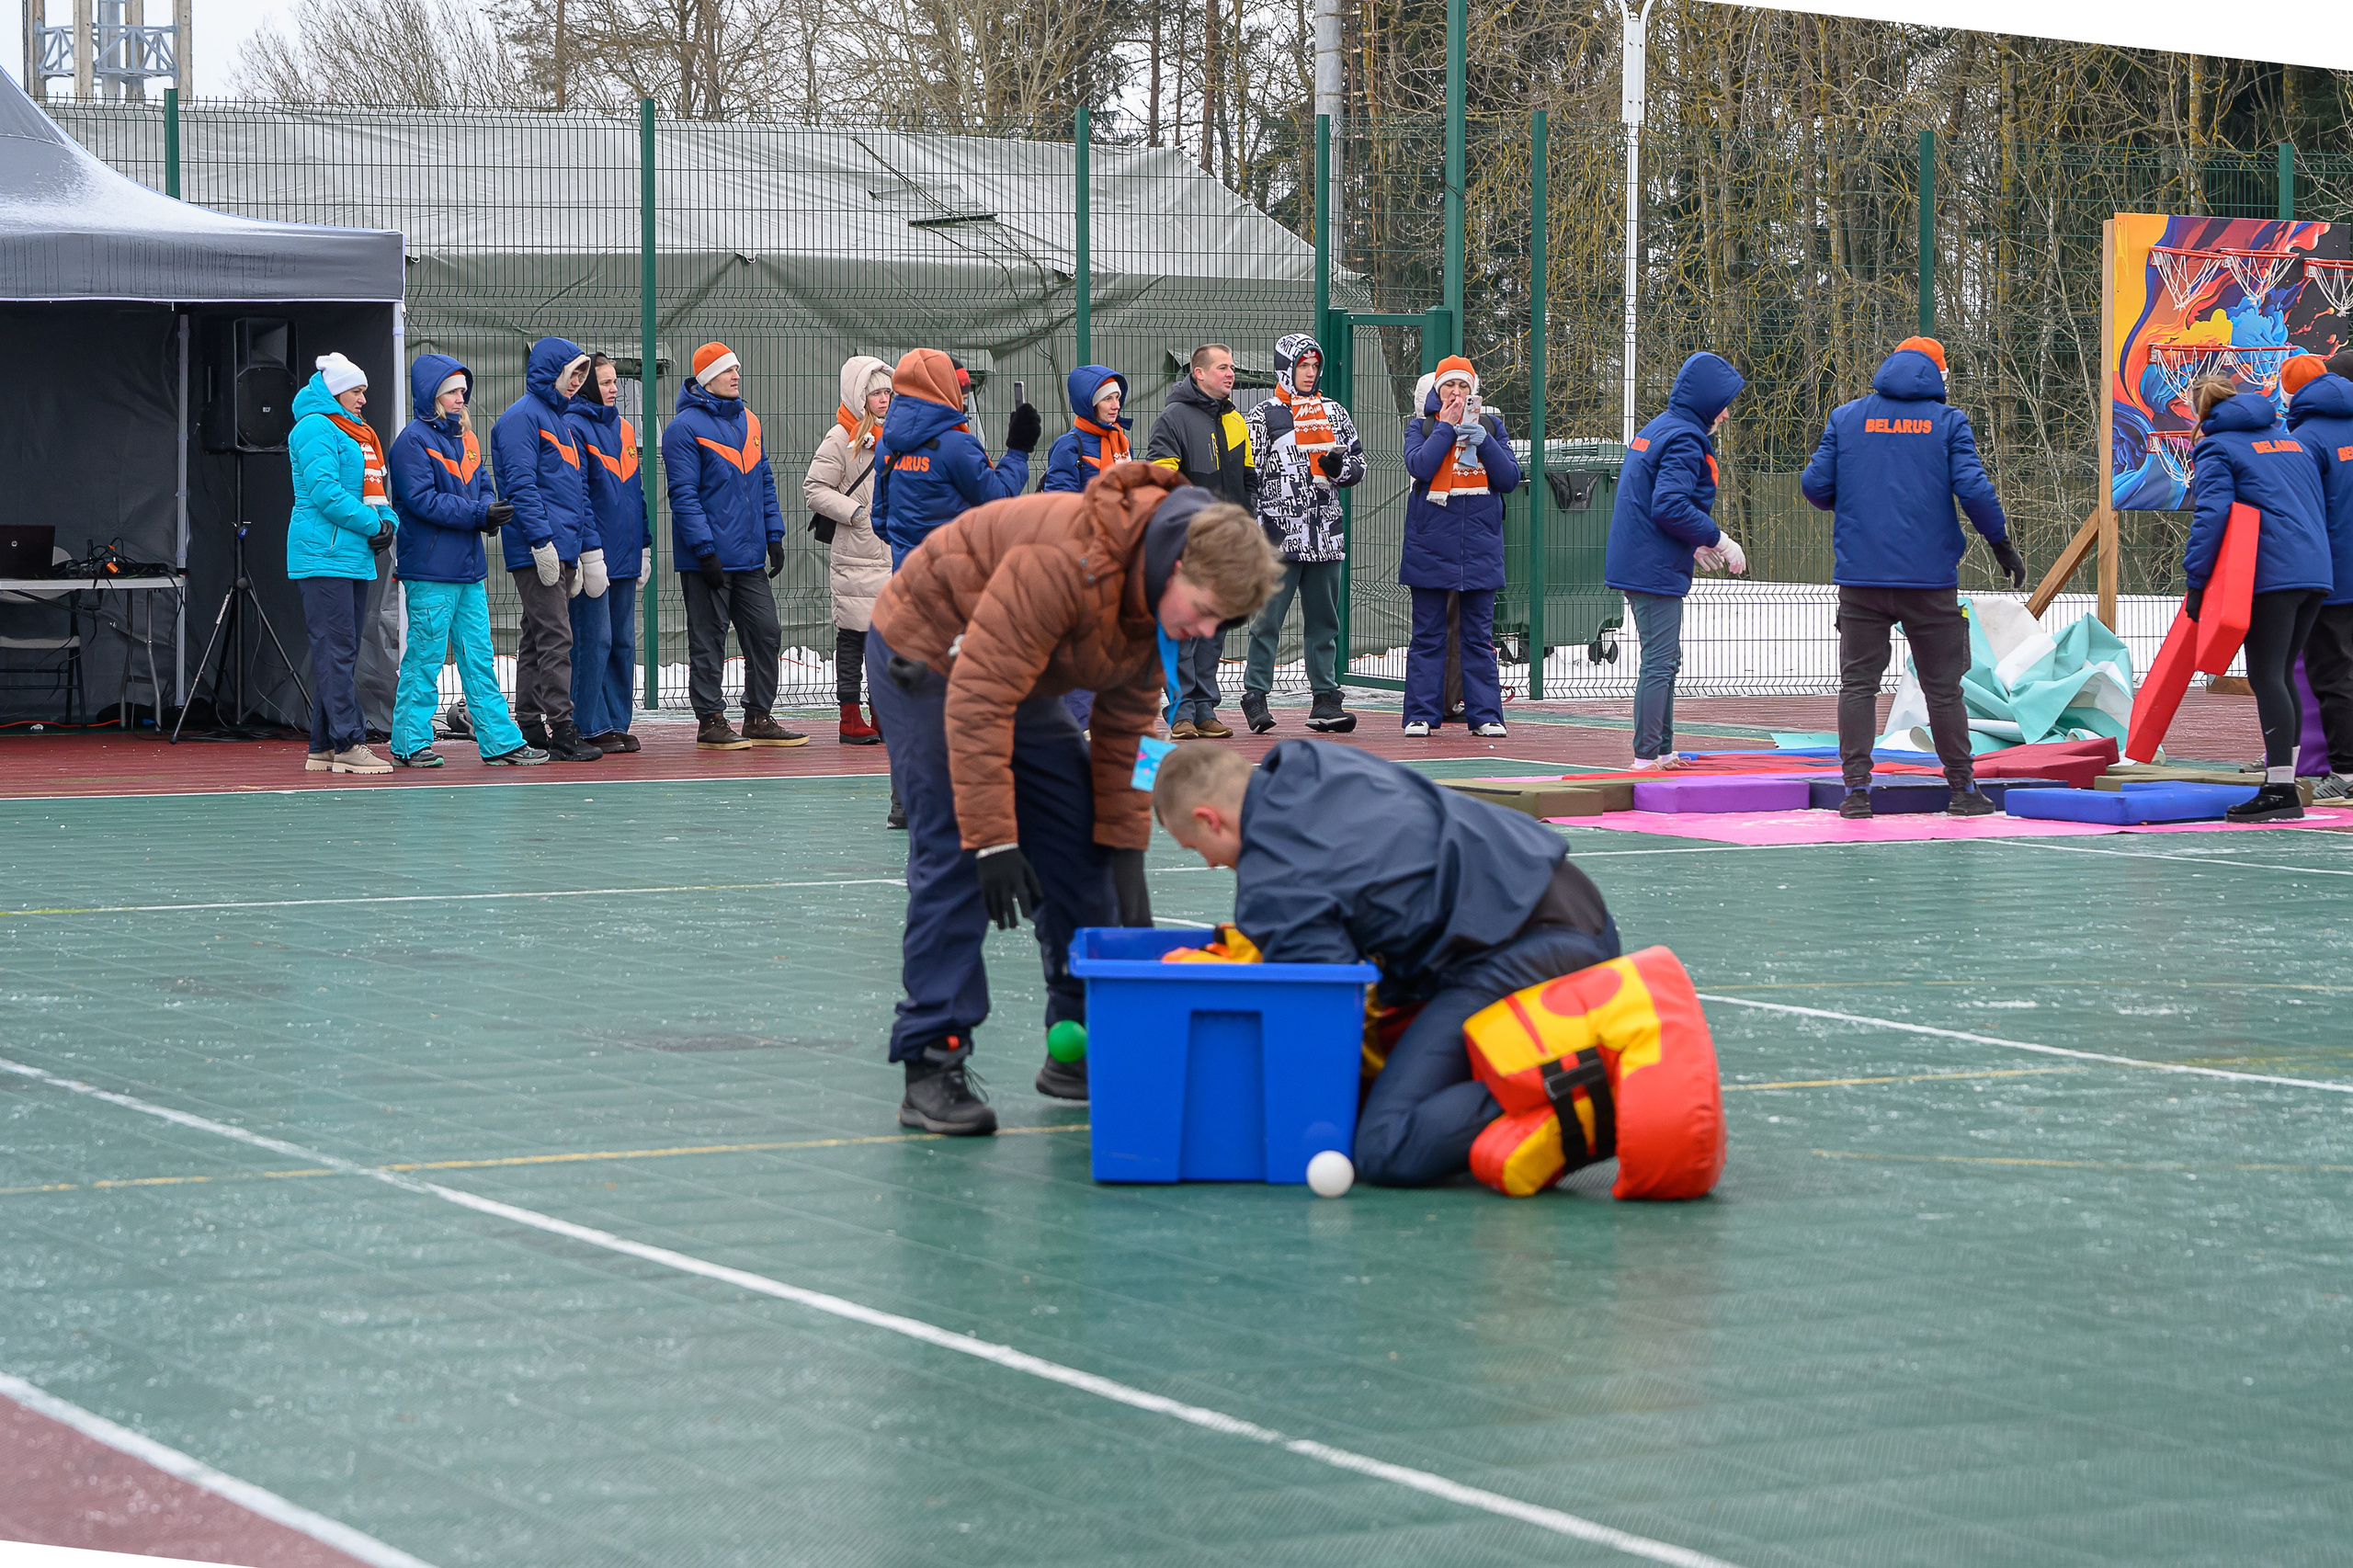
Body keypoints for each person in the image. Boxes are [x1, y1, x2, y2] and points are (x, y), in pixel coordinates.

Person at [865, 464, 1278, 1133]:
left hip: (1015, 669)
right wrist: (997, 840)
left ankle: (1084, 1037)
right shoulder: (1068, 564)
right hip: (930, 650)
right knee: (956, 849)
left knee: (1085, 839)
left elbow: (1131, 730)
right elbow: (978, 699)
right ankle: (931, 1058)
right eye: (1203, 612)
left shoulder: (1155, 609)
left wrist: (1124, 847)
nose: (1204, 633)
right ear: (1173, 568)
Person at [1152, 740, 1620, 1187]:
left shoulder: (1275, 884)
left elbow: (1324, 1016)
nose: (1210, 865)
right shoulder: (1306, 760)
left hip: (1524, 948)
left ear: (1208, 820)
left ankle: (1594, 1083)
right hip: (1568, 905)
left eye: (1195, 849)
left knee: (1385, 1142)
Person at [1799, 335, 2023, 819]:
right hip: (1929, 580)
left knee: (1857, 683)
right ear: (1937, 375)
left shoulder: (1847, 418)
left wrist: (1856, 501)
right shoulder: (1947, 424)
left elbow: (1815, 486)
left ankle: (1856, 791)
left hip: (1862, 578)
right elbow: (1973, 489)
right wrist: (2001, 545)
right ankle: (1963, 789)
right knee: (1944, 688)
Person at [2182, 375, 2335, 823]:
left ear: (2201, 412)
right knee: (2282, 673)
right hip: (2315, 570)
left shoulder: (2217, 448)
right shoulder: (2291, 443)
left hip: (2271, 572)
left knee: (2266, 674)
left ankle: (2280, 789)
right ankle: (2283, 779)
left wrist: (2196, 582)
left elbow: (2212, 515)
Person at [385, 354, 544, 768]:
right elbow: (421, 501)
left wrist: (490, 509)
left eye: (463, 391)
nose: (462, 398)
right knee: (425, 657)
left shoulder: (466, 439)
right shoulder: (412, 443)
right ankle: (408, 741)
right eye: (454, 391)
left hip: (466, 569)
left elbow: (484, 485)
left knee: (478, 658)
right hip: (432, 570)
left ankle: (499, 742)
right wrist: (480, 515)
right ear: (433, 395)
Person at [1604, 351, 1746, 767]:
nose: (1724, 414)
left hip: (1643, 558)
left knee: (1665, 657)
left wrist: (1692, 542)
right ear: (1706, 401)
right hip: (1652, 566)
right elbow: (1668, 504)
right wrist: (1717, 538)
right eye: (1721, 404)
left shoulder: (1660, 428)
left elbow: (1651, 501)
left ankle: (1661, 750)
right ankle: (1646, 755)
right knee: (1661, 660)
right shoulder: (1685, 438)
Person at [661, 342, 804, 750]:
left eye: (737, 369)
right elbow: (683, 495)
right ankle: (710, 720)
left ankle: (758, 716)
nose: (736, 376)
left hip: (749, 557)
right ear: (707, 379)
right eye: (727, 371)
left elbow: (765, 482)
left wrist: (773, 535)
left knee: (766, 632)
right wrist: (704, 550)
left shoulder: (751, 421)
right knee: (708, 640)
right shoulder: (684, 429)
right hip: (708, 559)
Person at [1241, 332, 1364, 734]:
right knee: (1267, 620)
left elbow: (1357, 467)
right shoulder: (1263, 416)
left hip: (1325, 535)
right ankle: (1255, 695)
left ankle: (1325, 699)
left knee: (1324, 621)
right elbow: (1252, 476)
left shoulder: (1334, 412)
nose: (1309, 373)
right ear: (1286, 368)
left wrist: (1336, 468)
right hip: (1278, 538)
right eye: (1302, 366)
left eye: (1314, 366)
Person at [491, 335, 602, 763]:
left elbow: (578, 494)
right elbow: (521, 486)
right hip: (539, 549)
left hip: (561, 549)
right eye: (571, 372)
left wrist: (587, 551)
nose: (576, 381)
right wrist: (541, 542)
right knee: (556, 637)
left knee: (538, 639)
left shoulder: (561, 422)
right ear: (550, 371)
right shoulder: (522, 419)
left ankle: (532, 722)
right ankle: (562, 728)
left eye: (581, 374)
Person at [286, 352, 398, 775]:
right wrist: (374, 523)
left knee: (339, 652)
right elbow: (325, 492)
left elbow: (374, 490)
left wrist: (388, 521)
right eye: (356, 390)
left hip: (347, 554)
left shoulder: (356, 432)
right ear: (334, 391)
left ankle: (323, 746)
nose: (364, 399)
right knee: (336, 650)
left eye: (365, 390)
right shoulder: (316, 426)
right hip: (324, 554)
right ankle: (349, 742)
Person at [1400, 355, 1521, 738]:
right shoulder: (1420, 427)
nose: (1456, 393)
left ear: (1473, 391)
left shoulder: (1492, 425)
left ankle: (1486, 715)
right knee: (1428, 636)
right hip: (1430, 547)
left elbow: (1509, 478)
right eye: (1449, 386)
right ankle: (1420, 714)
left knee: (1478, 638)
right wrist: (1447, 430)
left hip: (1480, 549)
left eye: (1463, 386)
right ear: (1437, 391)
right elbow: (1419, 467)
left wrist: (1483, 442)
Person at [1147, 345, 1257, 737]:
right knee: (1185, 630)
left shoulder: (1236, 422)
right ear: (1198, 373)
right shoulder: (1172, 419)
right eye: (1222, 367)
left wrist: (1245, 523)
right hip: (1188, 544)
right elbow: (1163, 484)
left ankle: (1205, 708)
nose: (1230, 373)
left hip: (1227, 546)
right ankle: (1180, 712)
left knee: (1214, 629)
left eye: (1231, 366)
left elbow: (1248, 479)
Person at [871, 348, 1038, 569]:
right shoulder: (957, 446)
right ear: (943, 389)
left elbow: (881, 521)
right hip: (956, 578)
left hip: (907, 576)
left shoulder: (887, 444)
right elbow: (998, 501)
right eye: (961, 398)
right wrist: (1018, 450)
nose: (962, 406)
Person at [805, 354, 893, 746]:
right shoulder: (840, 438)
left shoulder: (896, 435)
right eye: (875, 393)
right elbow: (814, 489)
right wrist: (856, 513)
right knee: (854, 637)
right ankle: (849, 716)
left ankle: (882, 713)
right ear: (858, 396)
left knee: (885, 638)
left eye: (888, 392)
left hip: (888, 553)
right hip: (856, 553)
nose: (884, 399)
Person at [1041, 364, 1134, 729]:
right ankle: (1075, 725)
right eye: (1107, 398)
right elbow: (1062, 505)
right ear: (1088, 403)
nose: (1115, 405)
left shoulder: (1120, 441)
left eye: (1116, 397)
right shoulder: (1070, 446)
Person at [566, 353, 650, 754]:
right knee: (592, 640)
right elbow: (577, 495)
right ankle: (588, 722)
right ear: (586, 387)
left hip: (626, 554)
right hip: (596, 556)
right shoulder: (574, 427)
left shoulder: (625, 429)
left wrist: (645, 544)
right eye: (604, 382)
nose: (614, 388)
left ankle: (616, 721)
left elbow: (637, 492)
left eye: (615, 381)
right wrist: (588, 551)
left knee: (622, 641)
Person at [2284, 351, 2353, 802]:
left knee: (2332, 674)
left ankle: (2344, 771)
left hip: (2332, 574)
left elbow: (2300, 513)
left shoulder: (2306, 440)